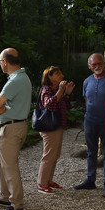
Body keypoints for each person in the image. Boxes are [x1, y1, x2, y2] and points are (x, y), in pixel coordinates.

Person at [0, 48, 32, 210]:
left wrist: (1, 108)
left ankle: (16, 203)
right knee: (2, 162)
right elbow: (5, 105)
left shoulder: (15, 80)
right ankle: (5, 196)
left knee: (9, 165)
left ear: (5, 62)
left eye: (0, 61)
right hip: (14, 125)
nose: (0, 64)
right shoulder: (20, 78)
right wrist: (4, 108)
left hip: (12, 127)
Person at [73, 53, 105, 195]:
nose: (97, 66)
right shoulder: (86, 81)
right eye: (94, 64)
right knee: (91, 152)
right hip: (90, 122)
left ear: (104, 63)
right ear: (89, 66)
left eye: (100, 63)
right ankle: (90, 180)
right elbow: (87, 100)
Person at [36, 66, 75, 194]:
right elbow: (50, 105)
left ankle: (48, 180)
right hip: (49, 127)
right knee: (49, 155)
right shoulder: (46, 89)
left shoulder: (55, 89)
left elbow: (65, 106)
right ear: (50, 76)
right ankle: (41, 183)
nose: (62, 76)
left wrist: (67, 93)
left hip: (57, 126)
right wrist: (61, 90)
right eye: (58, 74)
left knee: (55, 155)